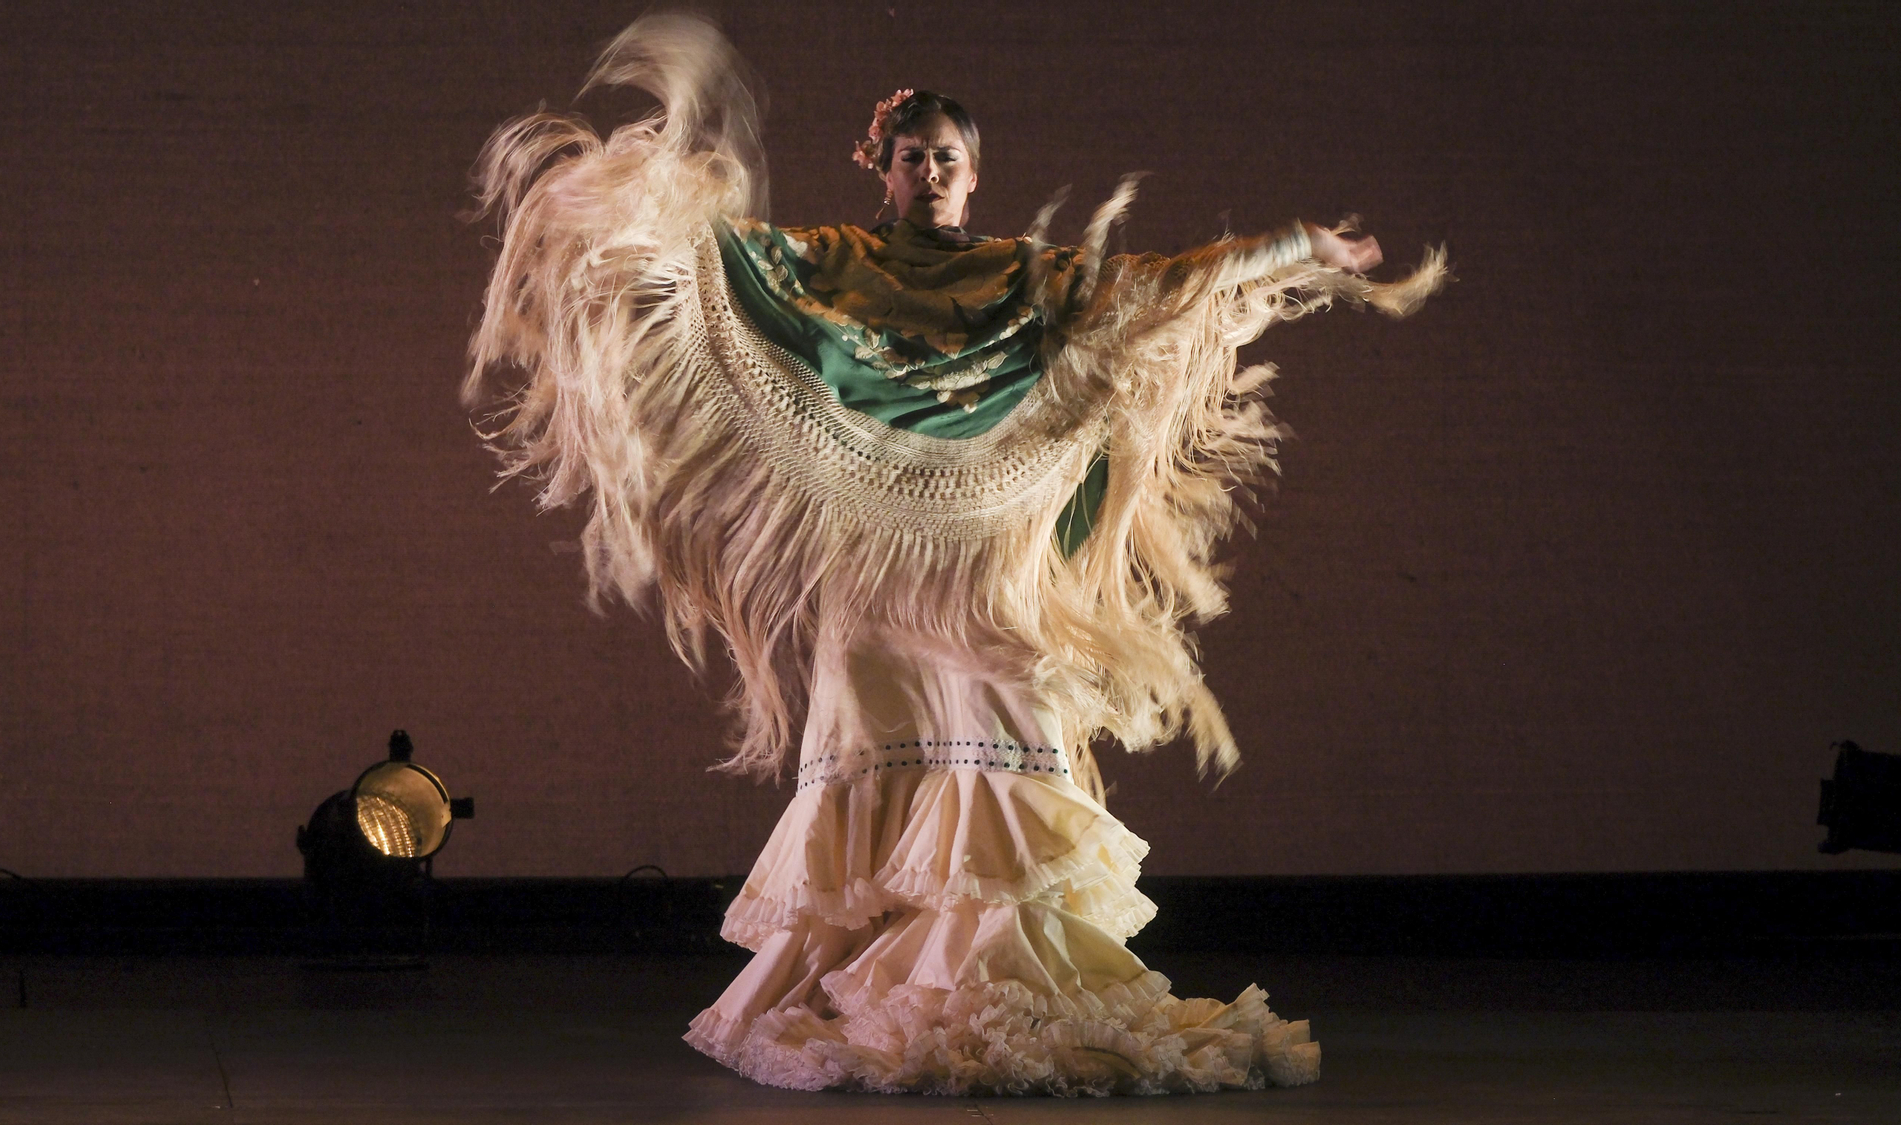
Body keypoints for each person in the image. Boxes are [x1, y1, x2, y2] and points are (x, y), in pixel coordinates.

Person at [465, 14, 1441, 1096]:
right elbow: (712, 266)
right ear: (880, 169)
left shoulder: (1028, 279)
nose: (927, 171)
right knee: (885, 750)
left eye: (946, 159)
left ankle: (990, 980)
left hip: (989, 562)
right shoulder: (827, 265)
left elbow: (1159, 285)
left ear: (971, 179)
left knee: (1015, 733)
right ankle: (876, 975)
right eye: (910, 155)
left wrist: (1295, 248)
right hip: (875, 570)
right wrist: (637, 198)